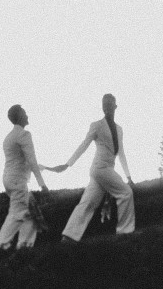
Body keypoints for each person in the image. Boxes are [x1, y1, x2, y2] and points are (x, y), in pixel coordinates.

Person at [51, 93, 136, 242]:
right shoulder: (96, 125)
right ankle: (125, 232)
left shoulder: (119, 129)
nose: (107, 107)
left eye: (110, 104)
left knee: (88, 202)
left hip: (107, 169)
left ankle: (68, 237)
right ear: (102, 107)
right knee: (126, 193)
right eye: (104, 105)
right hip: (100, 168)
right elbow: (84, 145)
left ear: (115, 106)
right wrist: (68, 164)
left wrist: (128, 176)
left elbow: (121, 152)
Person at [0, 104, 48, 252]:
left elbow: (20, 160)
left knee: (30, 215)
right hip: (18, 181)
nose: (27, 115)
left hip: (9, 180)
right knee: (17, 214)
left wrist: (48, 168)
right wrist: (42, 185)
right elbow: (31, 161)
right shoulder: (24, 134)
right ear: (21, 116)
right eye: (25, 112)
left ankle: (24, 247)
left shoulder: (8, 137)